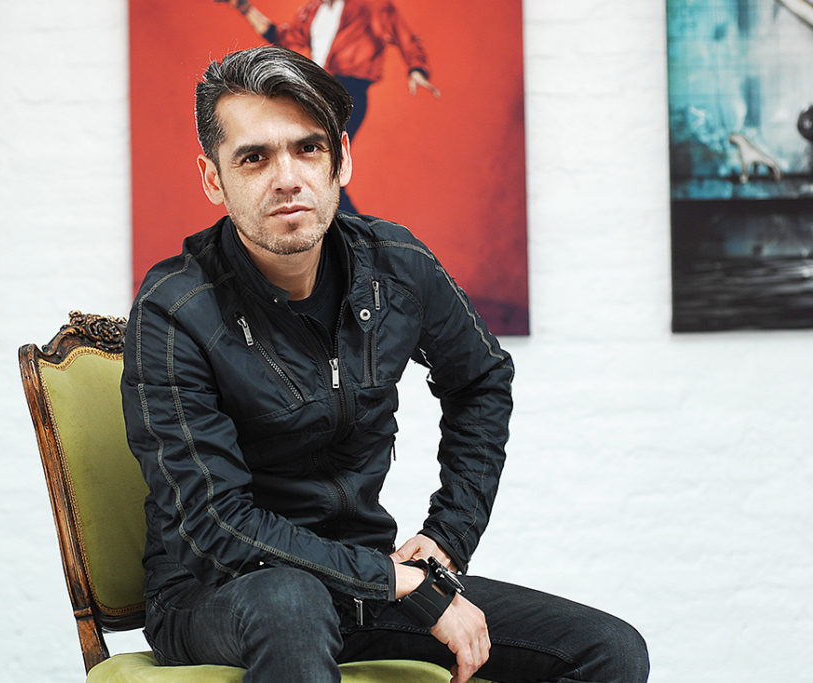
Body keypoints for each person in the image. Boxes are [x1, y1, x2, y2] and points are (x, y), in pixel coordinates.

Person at [122, 46, 649, 682]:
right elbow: (217, 523)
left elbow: (482, 379)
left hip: (365, 578)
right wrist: (399, 583)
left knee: (609, 651)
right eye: (254, 157)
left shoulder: (394, 265)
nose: (287, 177)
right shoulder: (174, 309)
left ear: (341, 159)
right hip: (219, 593)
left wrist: (449, 536)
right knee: (291, 602)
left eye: (308, 148)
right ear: (214, 179)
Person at [216, 0, 439, 212]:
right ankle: (348, 229)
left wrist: (417, 68)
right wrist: (245, 7)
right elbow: (282, 38)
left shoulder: (369, 5)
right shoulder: (313, 10)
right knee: (321, 169)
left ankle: (353, 230)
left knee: (327, 169)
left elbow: (404, 36)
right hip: (320, 92)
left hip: (348, 93)